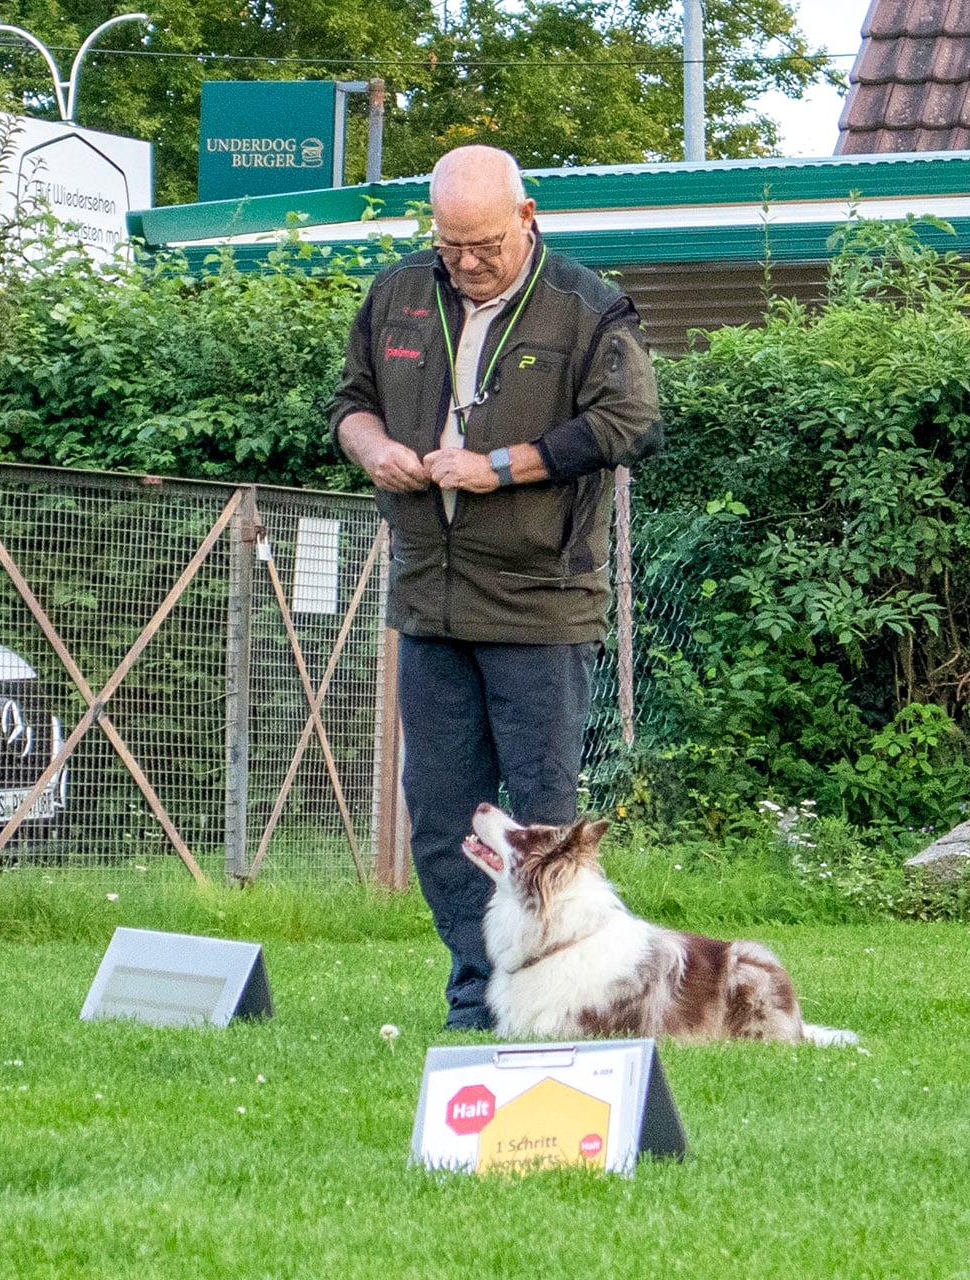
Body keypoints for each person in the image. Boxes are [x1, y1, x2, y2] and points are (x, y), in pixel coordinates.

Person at [328, 145, 662, 1030]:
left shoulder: (588, 307)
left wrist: (500, 468)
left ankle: (572, 1002)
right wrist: (374, 448)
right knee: (440, 823)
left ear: (526, 217)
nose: (467, 261)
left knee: (546, 828)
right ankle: (480, 997)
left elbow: (632, 422)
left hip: (539, 606)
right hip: (428, 602)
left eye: (484, 244)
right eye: (450, 245)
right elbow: (349, 402)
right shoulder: (396, 294)